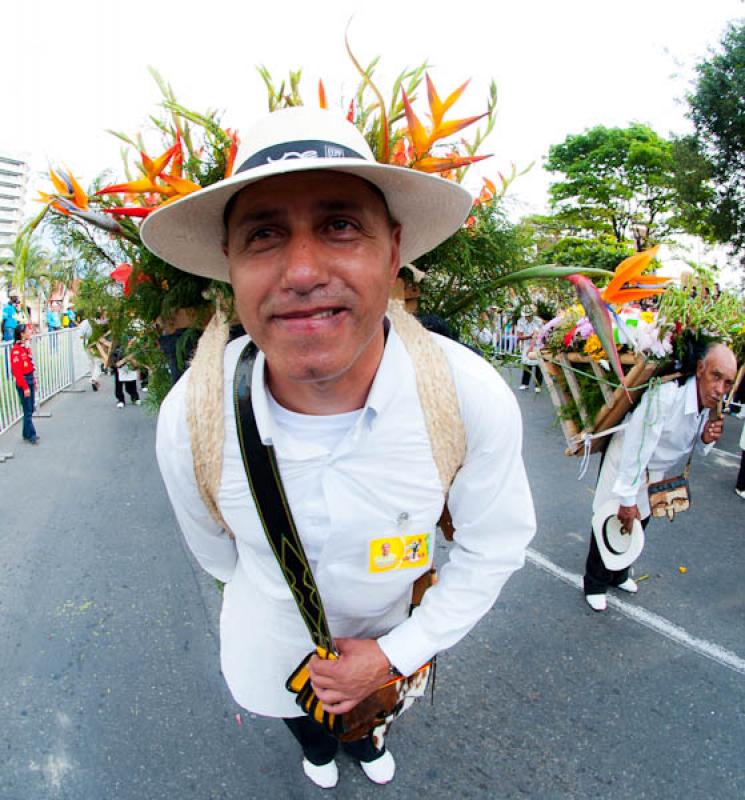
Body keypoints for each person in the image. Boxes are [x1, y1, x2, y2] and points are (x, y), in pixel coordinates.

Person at [145, 107, 535, 789]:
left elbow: (493, 545)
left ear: (393, 251)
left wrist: (391, 655)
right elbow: (216, 555)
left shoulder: (464, 395)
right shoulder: (192, 417)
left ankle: (363, 738)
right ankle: (318, 748)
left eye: (340, 226)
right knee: (301, 713)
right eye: (263, 235)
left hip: (393, 636)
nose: (301, 270)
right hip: (268, 644)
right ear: (230, 269)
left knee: (368, 714)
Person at [583, 342, 737, 611]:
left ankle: (618, 573)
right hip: (628, 460)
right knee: (612, 516)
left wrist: (706, 438)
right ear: (700, 369)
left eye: (727, 383)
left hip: (655, 467)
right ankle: (594, 582)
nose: (720, 389)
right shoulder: (667, 395)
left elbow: (696, 449)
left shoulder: (710, 405)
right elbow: (637, 444)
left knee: (639, 522)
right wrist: (628, 496)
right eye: (716, 376)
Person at [10, 324, 39, 444]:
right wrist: (25, 387)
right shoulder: (16, 351)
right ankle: (31, 434)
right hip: (24, 381)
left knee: (30, 408)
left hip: (30, 379)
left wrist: (34, 382)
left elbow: (30, 366)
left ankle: (25, 433)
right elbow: (17, 371)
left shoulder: (25, 347)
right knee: (27, 410)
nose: (30, 332)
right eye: (28, 331)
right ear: (22, 334)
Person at [516, 305, 544, 392]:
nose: (527, 317)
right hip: (527, 343)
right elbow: (519, 336)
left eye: (528, 315)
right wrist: (528, 337)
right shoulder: (520, 321)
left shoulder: (538, 321)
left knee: (538, 365)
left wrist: (531, 348)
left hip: (538, 344)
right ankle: (525, 384)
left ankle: (538, 385)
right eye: (525, 315)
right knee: (527, 364)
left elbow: (537, 335)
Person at [78, 315, 101, 390]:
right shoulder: (99, 321)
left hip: (87, 344)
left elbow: (80, 335)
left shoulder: (85, 322)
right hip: (97, 344)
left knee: (91, 362)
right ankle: (94, 379)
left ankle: (93, 378)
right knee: (98, 362)